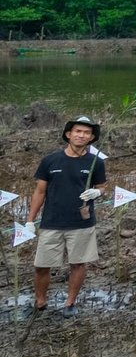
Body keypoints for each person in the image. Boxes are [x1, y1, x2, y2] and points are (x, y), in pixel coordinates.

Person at [25, 116, 108, 316]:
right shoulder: (50, 160)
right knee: (42, 265)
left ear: (91, 138)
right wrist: (30, 220)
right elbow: (40, 192)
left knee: (78, 263)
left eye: (86, 133)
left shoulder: (95, 162)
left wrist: (98, 193)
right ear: (68, 135)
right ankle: (40, 302)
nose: (81, 135)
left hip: (82, 222)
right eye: (77, 131)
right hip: (51, 221)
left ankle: (70, 304)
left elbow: (102, 187)